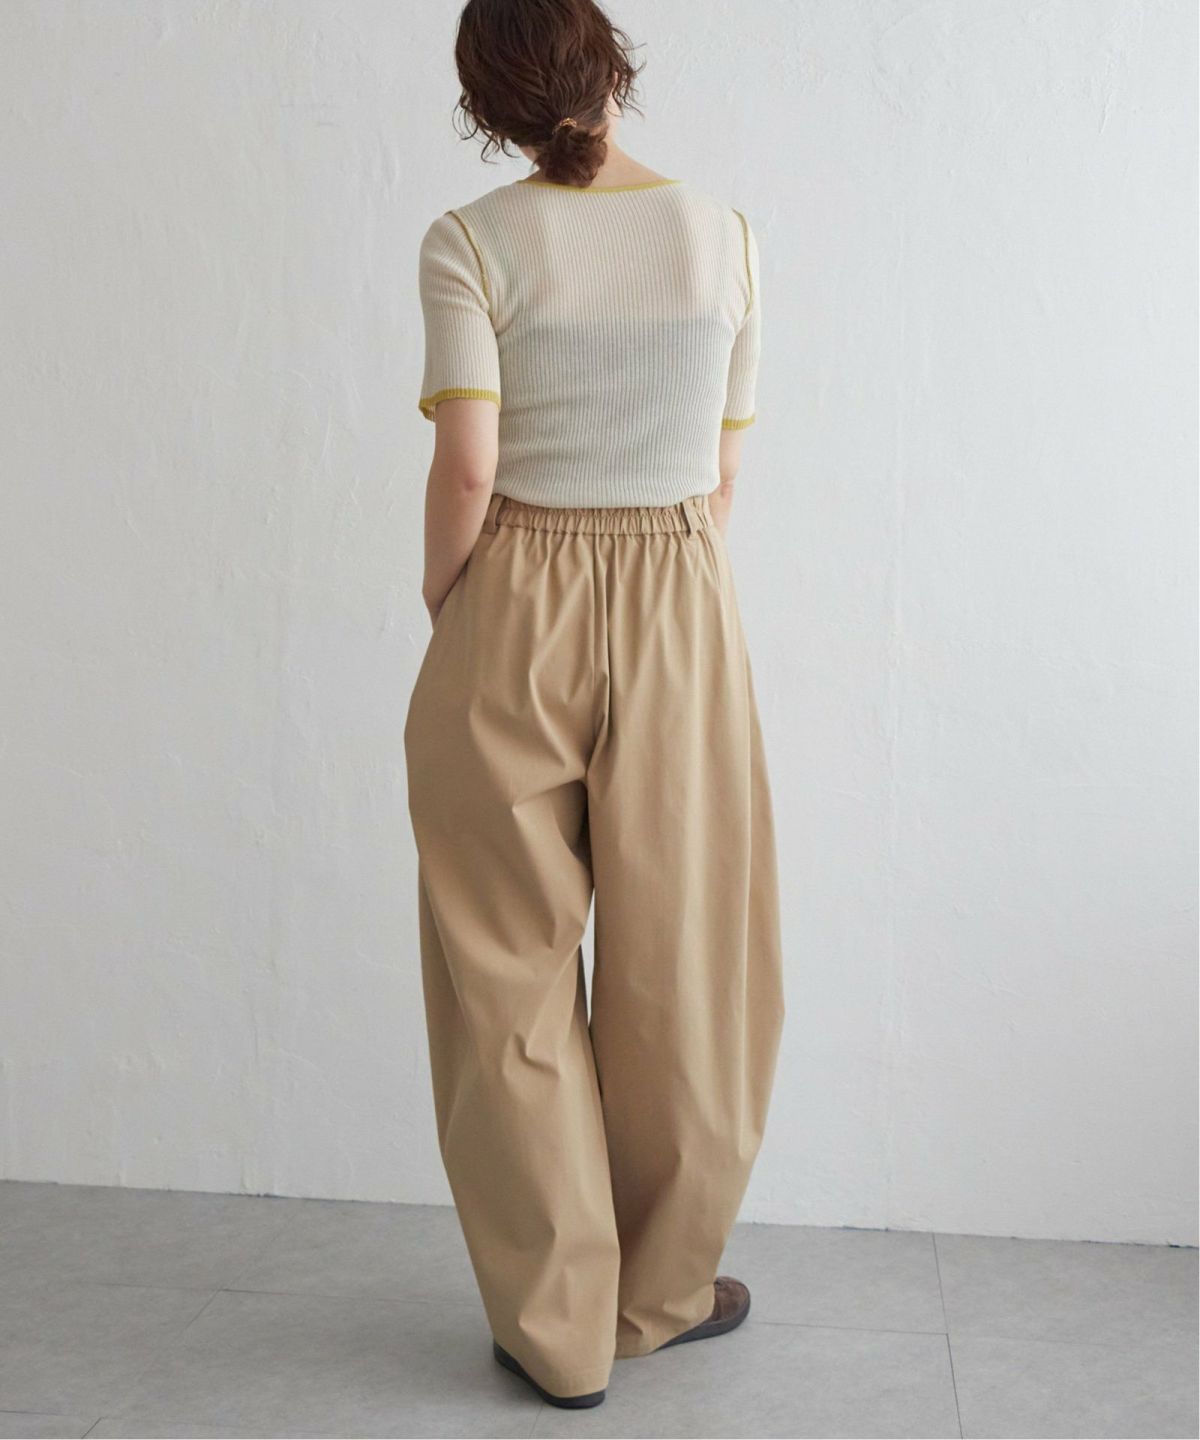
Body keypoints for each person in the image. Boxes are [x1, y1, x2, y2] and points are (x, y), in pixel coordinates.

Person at [404, 0, 785, 1411]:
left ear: (488, 107)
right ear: (612, 65)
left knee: (507, 968)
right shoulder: (722, 234)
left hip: (516, 592)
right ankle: (658, 1293)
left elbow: (468, 467)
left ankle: (556, 1328)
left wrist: (455, 608)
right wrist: (664, 591)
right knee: (689, 959)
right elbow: (723, 473)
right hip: (682, 586)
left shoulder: (471, 241)